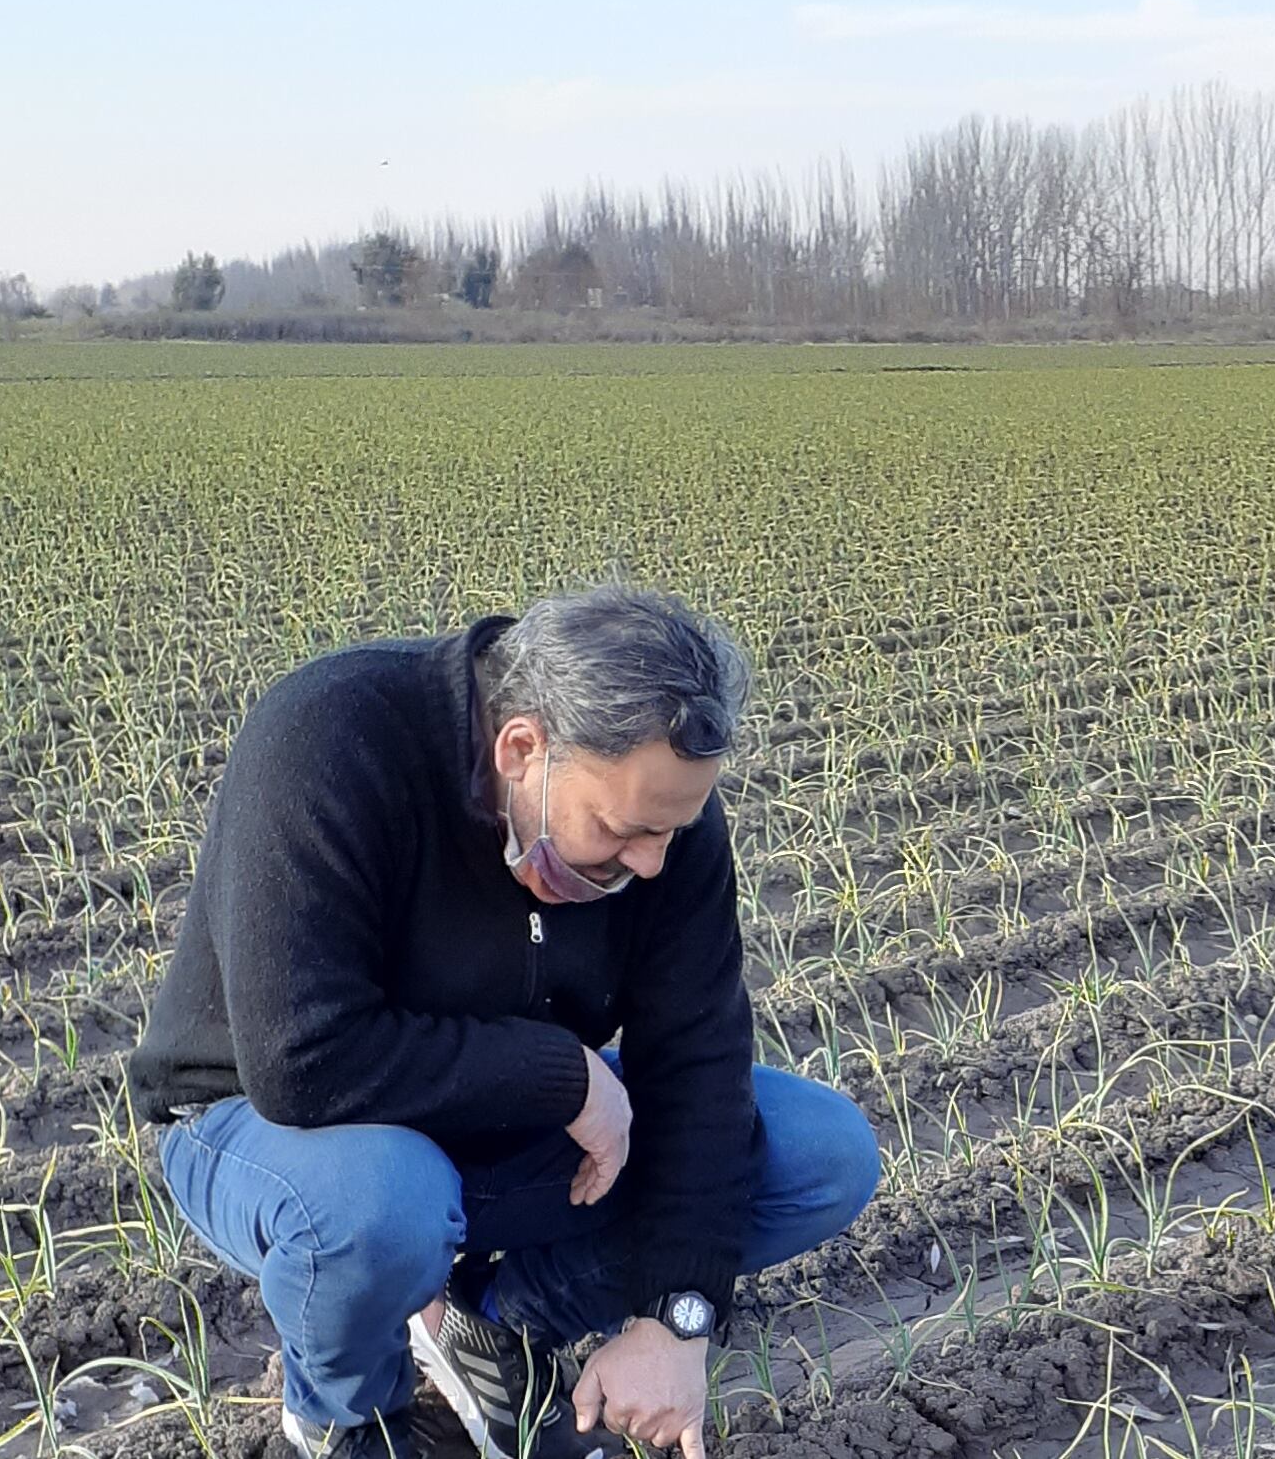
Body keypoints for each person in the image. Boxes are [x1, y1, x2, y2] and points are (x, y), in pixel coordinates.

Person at [128, 585, 880, 1459]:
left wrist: (678, 1315)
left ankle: (495, 1328)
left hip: (497, 1132)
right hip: (279, 1130)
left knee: (819, 1154)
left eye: (672, 830)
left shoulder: (664, 819)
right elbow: (301, 1058)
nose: (651, 861)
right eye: (623, 829)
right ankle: (349, 1418)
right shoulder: (333, 736)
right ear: (524, 748)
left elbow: (698, 1061)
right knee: (386, 1205)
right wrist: (562, 1076)